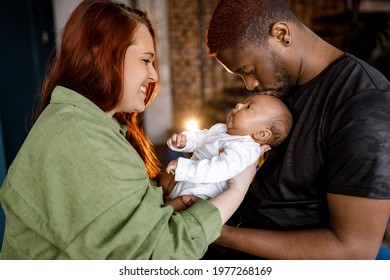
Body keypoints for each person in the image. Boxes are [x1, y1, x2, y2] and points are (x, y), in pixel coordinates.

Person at [0, 0, 256, 260]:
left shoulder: (92, 126)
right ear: (102, 52)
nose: (154, 75)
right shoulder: (83, 138)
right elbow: (157, 258)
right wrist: (236, 189)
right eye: (146, 60)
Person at [205, 0, 390, 259]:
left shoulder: (363, 105)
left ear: (281, 35)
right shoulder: (281, 89)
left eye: (248, 70)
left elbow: (354, 251)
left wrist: (220, 234)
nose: (249, 85)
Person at [164, 94, 292, 212]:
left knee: (170, 209)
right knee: (162, 177)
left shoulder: (244, 149)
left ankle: (161, 213)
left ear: (261, 134)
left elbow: (219, 169)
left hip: (199, 194)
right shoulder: (221, 129)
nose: (238, 105)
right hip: (185, 180)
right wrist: (185, 141)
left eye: (248, 107)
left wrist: (184, 168)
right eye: (243, 102)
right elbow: (202, 138)